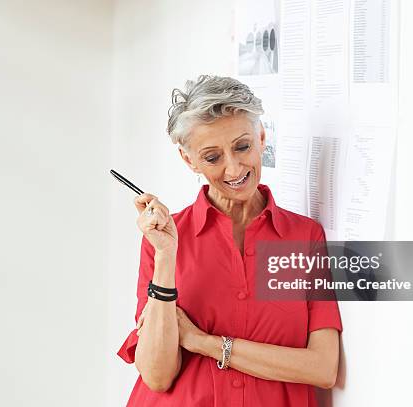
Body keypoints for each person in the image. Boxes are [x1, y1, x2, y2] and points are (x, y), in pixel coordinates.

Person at [117, 75, 342, 407]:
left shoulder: (304, 237)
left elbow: (323, 368)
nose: (234, 168)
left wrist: (203, 342)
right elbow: (156, 375)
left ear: (261, 137)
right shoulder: (164, 240)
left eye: (242, 146)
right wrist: (166, 257)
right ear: (188, 159)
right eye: (212, 157)